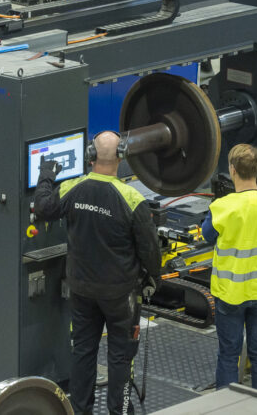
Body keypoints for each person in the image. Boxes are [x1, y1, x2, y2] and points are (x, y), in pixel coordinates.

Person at [34, 131, 161, 415]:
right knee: (121, 357)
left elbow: (43, 207)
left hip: (82, 290)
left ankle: (80, 411)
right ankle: (119, 411)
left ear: (91, 156)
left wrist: (46, 176)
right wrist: (154, 278)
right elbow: (150, 250)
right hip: (120, 295)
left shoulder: (73, 188)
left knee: (83, 352)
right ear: (121, 157)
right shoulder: (132, 199)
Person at [201, 144, 257, 391]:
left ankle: (226, 406)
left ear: (232, 170)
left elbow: (207, 235)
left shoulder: (223, 207)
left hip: (230, 294)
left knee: (229, 354)